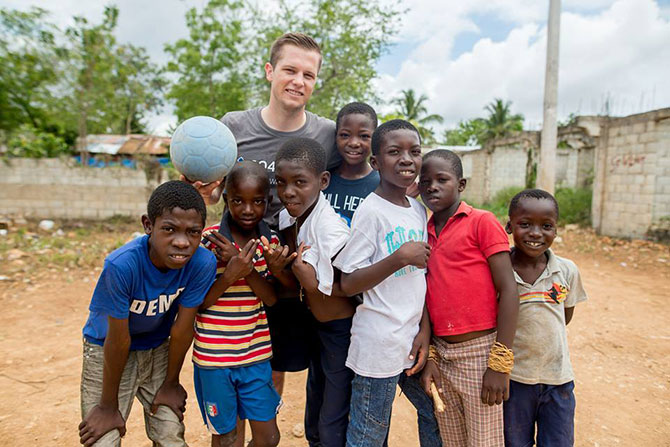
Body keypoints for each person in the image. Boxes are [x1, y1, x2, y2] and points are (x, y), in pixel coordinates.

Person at [78, 181, 217, 447]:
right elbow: (118, 339)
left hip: (157, 348)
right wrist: (108, 406)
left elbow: (182, 327)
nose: (181, 242)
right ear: (148, 225)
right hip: (107, 349)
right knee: (102, 438)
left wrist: (171, 383)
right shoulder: (122, 266)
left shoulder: (201, 262)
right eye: (169, 229)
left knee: (170, 433)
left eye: (193, 232)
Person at [333, 119, 432, 447]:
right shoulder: (371, 212)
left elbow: (421, 280)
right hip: (379, 343)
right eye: (394, 152)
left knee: (434, 412)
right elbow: (348, 282)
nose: (407, 159)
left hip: (410, 338)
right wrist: (398, 258)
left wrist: (424, 330)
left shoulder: (417, 210)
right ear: (375, 162)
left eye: (414, 152)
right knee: (369, 433)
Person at [418, 149, 518, 447]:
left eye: (442, 179)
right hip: (442, 355)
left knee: (484, 442)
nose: (432, 186)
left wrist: (499, 362)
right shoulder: (423, 230)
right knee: (453, 441)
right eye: (425, 181)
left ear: (461, 185)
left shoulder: (481, 222)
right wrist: (433, 356)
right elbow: (427, 293)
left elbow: (509, 289)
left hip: (479, 354)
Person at [192, 162, 290, 447]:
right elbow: (198, 304)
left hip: (255, 356)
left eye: (257, 201)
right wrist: (228, 275)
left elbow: (271, 299)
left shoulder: (269, 242)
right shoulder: (208, 241)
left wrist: (244, 268)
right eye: (238, 201)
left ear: (268, 201)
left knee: (269, 437)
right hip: (214, 359)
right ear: (225, 200)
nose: (248, 210)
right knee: (225, 437)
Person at [274, 137, 354, 447]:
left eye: (299, 182)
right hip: (316, 327)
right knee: (316, 406)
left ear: (323, 181)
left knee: (332, 415)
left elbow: (356, 288)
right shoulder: (288, 216)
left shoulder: (332, 232)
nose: (288, 192)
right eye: (281, 183)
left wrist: (314, 284)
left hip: (341, 332)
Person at [503, 189, 587, 447]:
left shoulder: (566, 270)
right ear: (509, 226)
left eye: (546, 226)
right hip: (515, 380)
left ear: (556, 230)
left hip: (558, 379)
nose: (536, 233)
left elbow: (564, 316)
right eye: (525, 224)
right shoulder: (500, 269)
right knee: (514, 442)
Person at [323, 102, 379, 226]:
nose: (354, 143)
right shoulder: (322, 179)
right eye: (345, 135)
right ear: (336, 136)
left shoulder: (381, 185)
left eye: (364, 136)